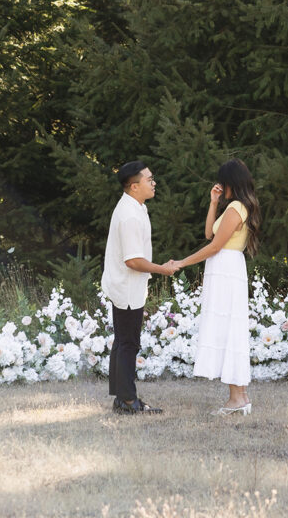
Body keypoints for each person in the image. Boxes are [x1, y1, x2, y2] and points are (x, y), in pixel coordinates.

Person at [172, 159, 261, 416]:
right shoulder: (235, 207)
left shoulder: (235, 209)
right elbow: (210, 233)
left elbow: (213, 247)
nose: (220, 186)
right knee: (230, 327)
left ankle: (236, 398)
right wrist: (213, 202)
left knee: (228, 329)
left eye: (223, 182)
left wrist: (182, 263)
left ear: (231, 183)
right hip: (227, 269)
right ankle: (240, 396)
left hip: (225, 269)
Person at [101, 160, 179, 415]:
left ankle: (121, 398)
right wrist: (162, 269)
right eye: (149, 179)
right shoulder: (130, 215)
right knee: (128, 343)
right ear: (134, 186)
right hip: (126, 287)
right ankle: (127, 401)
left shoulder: (135, 207)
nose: (154, 183)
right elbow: (133, 260)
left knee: (123, 341)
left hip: (127, 286)